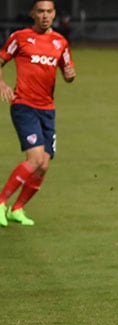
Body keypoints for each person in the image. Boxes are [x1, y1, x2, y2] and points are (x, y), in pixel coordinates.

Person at [0, 0, 75, 228]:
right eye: (40, 11)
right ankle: (1, 202)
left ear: (54, 14)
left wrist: (70, 75)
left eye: (49, 11)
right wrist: (1, 84)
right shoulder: (20, 38)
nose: (44, 15)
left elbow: (68, 72)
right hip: (24, 105)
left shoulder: (60, 42)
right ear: (33, 13)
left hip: (47, 110)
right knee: (34, 160)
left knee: (43, 164)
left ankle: (17, 208)